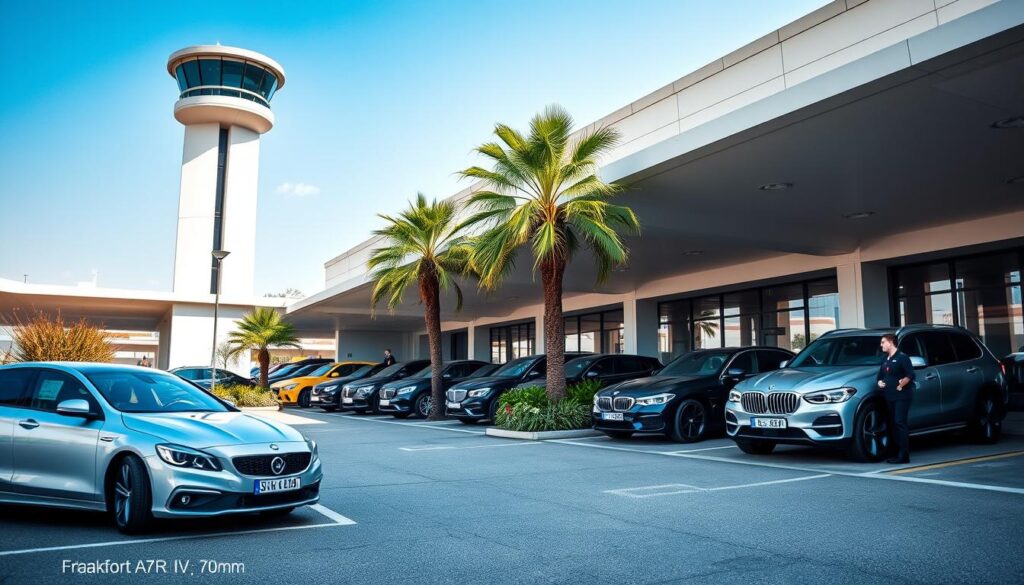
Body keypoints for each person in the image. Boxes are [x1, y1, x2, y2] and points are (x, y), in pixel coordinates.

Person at [877, 333, 915, 464]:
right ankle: (895, 453)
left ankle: (904, 455)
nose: (881, 345)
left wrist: (901, 384)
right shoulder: (885, 359)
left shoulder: (903, 358)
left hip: (902, 396)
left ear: (891, 342)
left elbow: (910, 375)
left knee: (900, 423)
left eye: (883, 342)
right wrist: (880, 383)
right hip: (889, 396)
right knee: (893, 424)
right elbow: (880, 376)